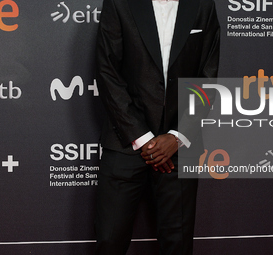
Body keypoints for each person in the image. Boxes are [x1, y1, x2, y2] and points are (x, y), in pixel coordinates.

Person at [95, 0, 220, 254]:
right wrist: (145, 140)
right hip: (125, 141)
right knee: (109, 242)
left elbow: (207, 78)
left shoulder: (202, 5)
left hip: (180, 146)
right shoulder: (119, 3)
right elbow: (107, 72)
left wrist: (177, 136)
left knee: (178, 245)